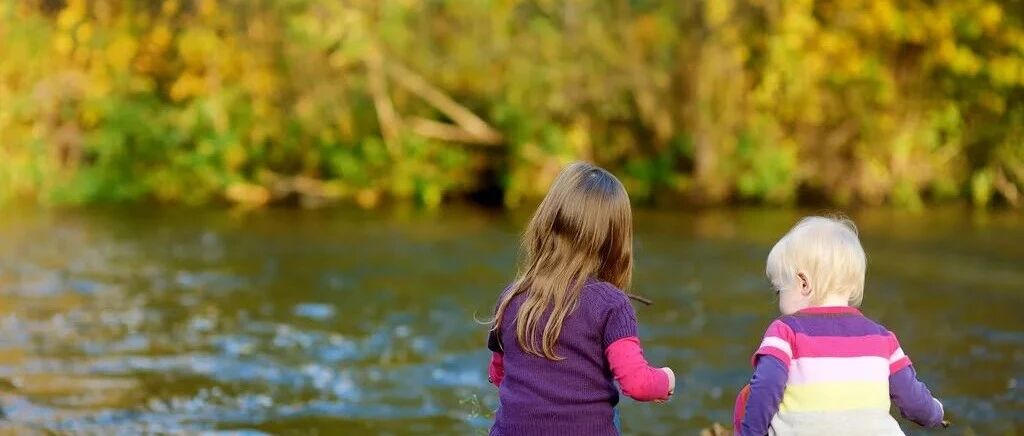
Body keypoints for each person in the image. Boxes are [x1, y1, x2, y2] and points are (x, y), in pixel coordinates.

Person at [486, 161, 675, 435]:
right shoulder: (611, 305)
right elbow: (637, 383)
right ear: (614, 240)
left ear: (548, 222)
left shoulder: (512, 297)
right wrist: (666, 379)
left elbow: (498, 374)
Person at [735, 216, 947, 435]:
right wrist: (936, 413)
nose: (778, 301)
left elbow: (766, 386)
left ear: (803, 283)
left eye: (779, 290)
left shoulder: (785, 331)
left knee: (747, 397)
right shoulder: (883, 339)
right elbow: (913, 400)